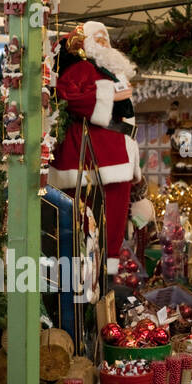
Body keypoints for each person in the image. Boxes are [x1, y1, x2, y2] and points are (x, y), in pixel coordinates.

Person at [49, 21, 141, 274]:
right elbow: (65, 95)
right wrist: (107, 94)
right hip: (94, 159)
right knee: (90, 221)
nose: (103, 43)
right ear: (86, 43)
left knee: (114, 221)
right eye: (97, 39)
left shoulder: (109, 71)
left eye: (105, 39)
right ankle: (93, 273)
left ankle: (108, 271)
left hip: (117, 158)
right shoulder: (81, 68)